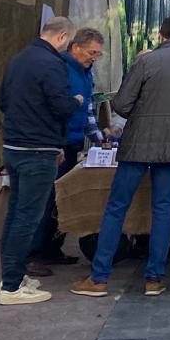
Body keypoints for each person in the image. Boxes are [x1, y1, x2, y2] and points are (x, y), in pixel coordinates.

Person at [71, 15, 170, 299]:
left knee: (116, 207)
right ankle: (154, 279)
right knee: (163, 209)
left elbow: (121, 104)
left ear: (161, 35)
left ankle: (99, 279)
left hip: (138, 144)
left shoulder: (146, 62)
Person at [0, 17, 82, 304]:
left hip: (14, 146)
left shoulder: (18, 59)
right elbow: (61, 105)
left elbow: (4, 101)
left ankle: (13, 276)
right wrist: (78, 101)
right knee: (28, 217)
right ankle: (11, 287)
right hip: (37, 150)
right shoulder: (52, 64)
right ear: (63, 37)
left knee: (16, 214)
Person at [31, 27, 105, 272]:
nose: (94, 57)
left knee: (62, 200)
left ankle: (52, 248)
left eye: (98, 54)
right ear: (75, 47)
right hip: (58, 144)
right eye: (92, 52)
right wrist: (57, 143)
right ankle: (36, 253)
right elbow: (56, 109)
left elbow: (89, 109)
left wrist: (97, 137)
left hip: (73, 143)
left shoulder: (86, 72)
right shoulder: (60, 69)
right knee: (50, 199)